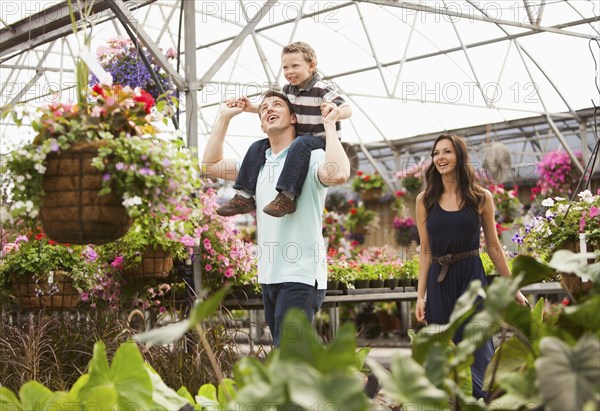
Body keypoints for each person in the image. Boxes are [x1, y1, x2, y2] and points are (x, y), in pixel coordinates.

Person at [202, 91, 350, 346]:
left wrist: (329, 126)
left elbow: (339, 175)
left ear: (293, 118)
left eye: (278, 104)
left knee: (289, 356)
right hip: (269, 275)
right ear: (261, 124)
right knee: (289, 358)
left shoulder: (311, 157)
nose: (269, 108)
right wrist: (224, 118)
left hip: (301, 274)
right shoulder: (256, 163)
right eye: (264, 107)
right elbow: (210, 166)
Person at [413, 133, 529, 400]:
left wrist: (514, 289)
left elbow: (494, 247)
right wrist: (420, 295)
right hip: (439, 283)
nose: (440, 158)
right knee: (444, 349)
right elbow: (425, 251)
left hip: (472, 278)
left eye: (447, 152)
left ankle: (483, 401)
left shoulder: (481, 197)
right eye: (436, 153)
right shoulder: (425, 200)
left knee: (479, 345)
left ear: (460, 157)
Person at [216, 41, 352, 218]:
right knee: (259, 145)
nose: (289, 72)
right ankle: (245, 195)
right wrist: (250, 107)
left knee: (301, 142)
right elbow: (278, 110)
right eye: (285, 67)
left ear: (312, 66)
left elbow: (348, 109)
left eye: (295, 66)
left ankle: (287, 196)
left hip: (321, 140)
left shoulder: (322, 88)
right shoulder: (288, 89)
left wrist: (336, 112)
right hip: (300, 141)